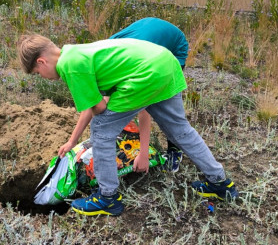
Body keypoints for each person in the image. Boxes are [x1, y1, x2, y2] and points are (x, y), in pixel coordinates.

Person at [18, 34, 237, 217]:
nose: (44, 77)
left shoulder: (70, 66)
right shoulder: (76, 52)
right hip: (163, 63)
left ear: (41, 61)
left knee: (101, 132)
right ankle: (220, 183)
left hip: (146, 75)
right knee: (179, 130)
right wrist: (72, 141)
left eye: (39, 74)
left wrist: (97, 126)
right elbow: (92, 106)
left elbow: (100, 111)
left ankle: (108, 198)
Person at [59, 17, 189, 172]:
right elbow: (92, 105)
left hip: (172, 44)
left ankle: (175, 149)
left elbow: (143, 109)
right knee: (122, 100)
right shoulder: (100, 64)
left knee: (162, 103)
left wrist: (143, 153)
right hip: (146, 33)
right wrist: (72, 141)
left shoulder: (122, 66)